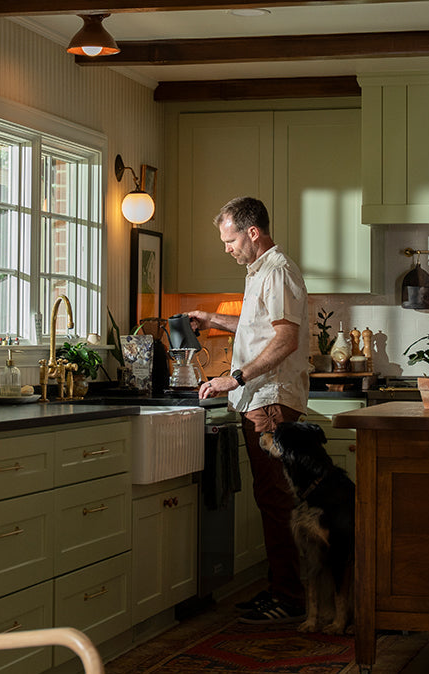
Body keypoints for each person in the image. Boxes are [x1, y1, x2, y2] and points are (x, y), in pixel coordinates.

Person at [188, 196, 310, 625]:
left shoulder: (276, 271)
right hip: (261, 400)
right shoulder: (260, 273)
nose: (227, 248)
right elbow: (261, 328)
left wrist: (233, 378)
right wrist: (213, 319)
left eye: (230, 239)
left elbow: (286, 340)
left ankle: (291, 597)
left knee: (276, 498)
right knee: (271, 495)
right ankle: (283, 588)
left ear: (252, 232)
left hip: (269, 401)